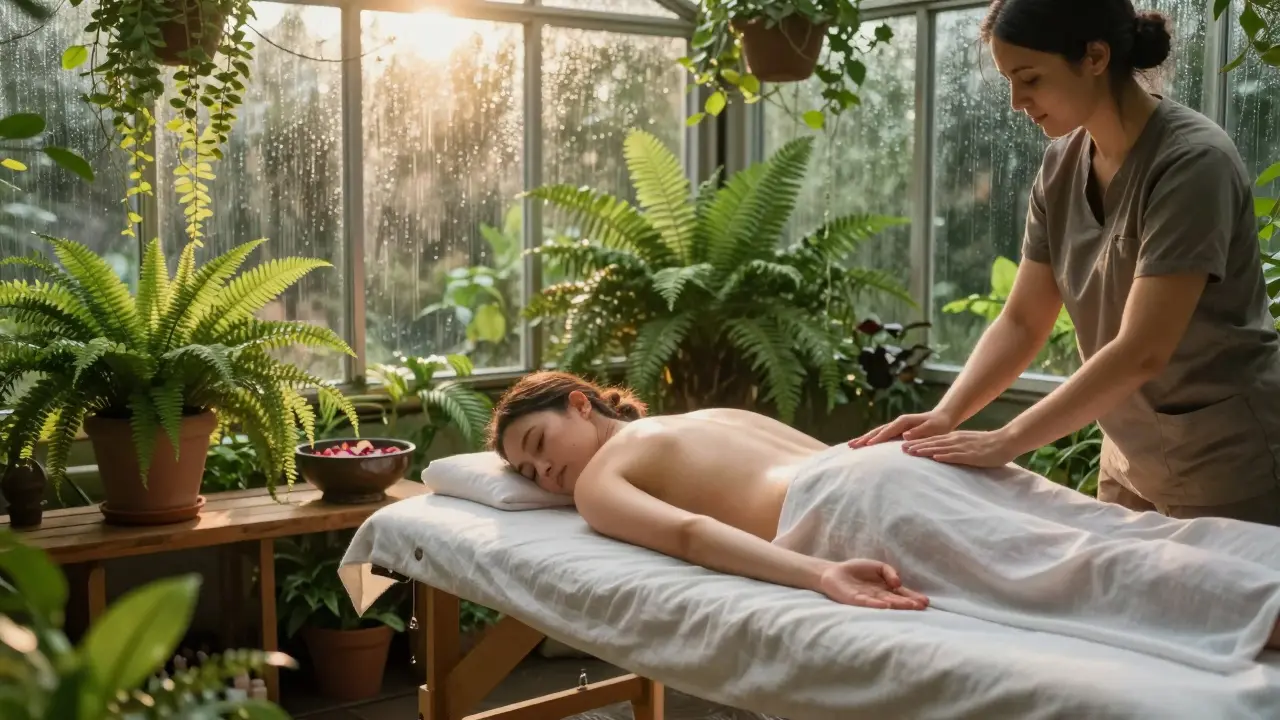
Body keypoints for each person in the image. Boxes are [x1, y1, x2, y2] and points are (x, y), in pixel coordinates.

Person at [487, 370, 1280, 664]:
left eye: (538, 443)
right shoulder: (705, 416)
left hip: (849, 500)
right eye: (527, 473)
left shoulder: (604, 478)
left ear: (581, 403)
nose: (544, 472)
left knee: (1070, 566)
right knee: (1110, 530)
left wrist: (819, 572)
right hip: (876, 470)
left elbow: (693, 537)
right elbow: (824, 450)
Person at [852, 0, 1280, 526]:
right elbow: (1022, 320)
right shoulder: (1061, 165)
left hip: (1226, 467)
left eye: (1028, 78)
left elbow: (1144, 350)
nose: (1015, 101)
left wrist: (1006, 439)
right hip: (1129, 459)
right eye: (1009, 80)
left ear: (1095, 56)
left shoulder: (1193, 162)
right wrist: (946, 414)